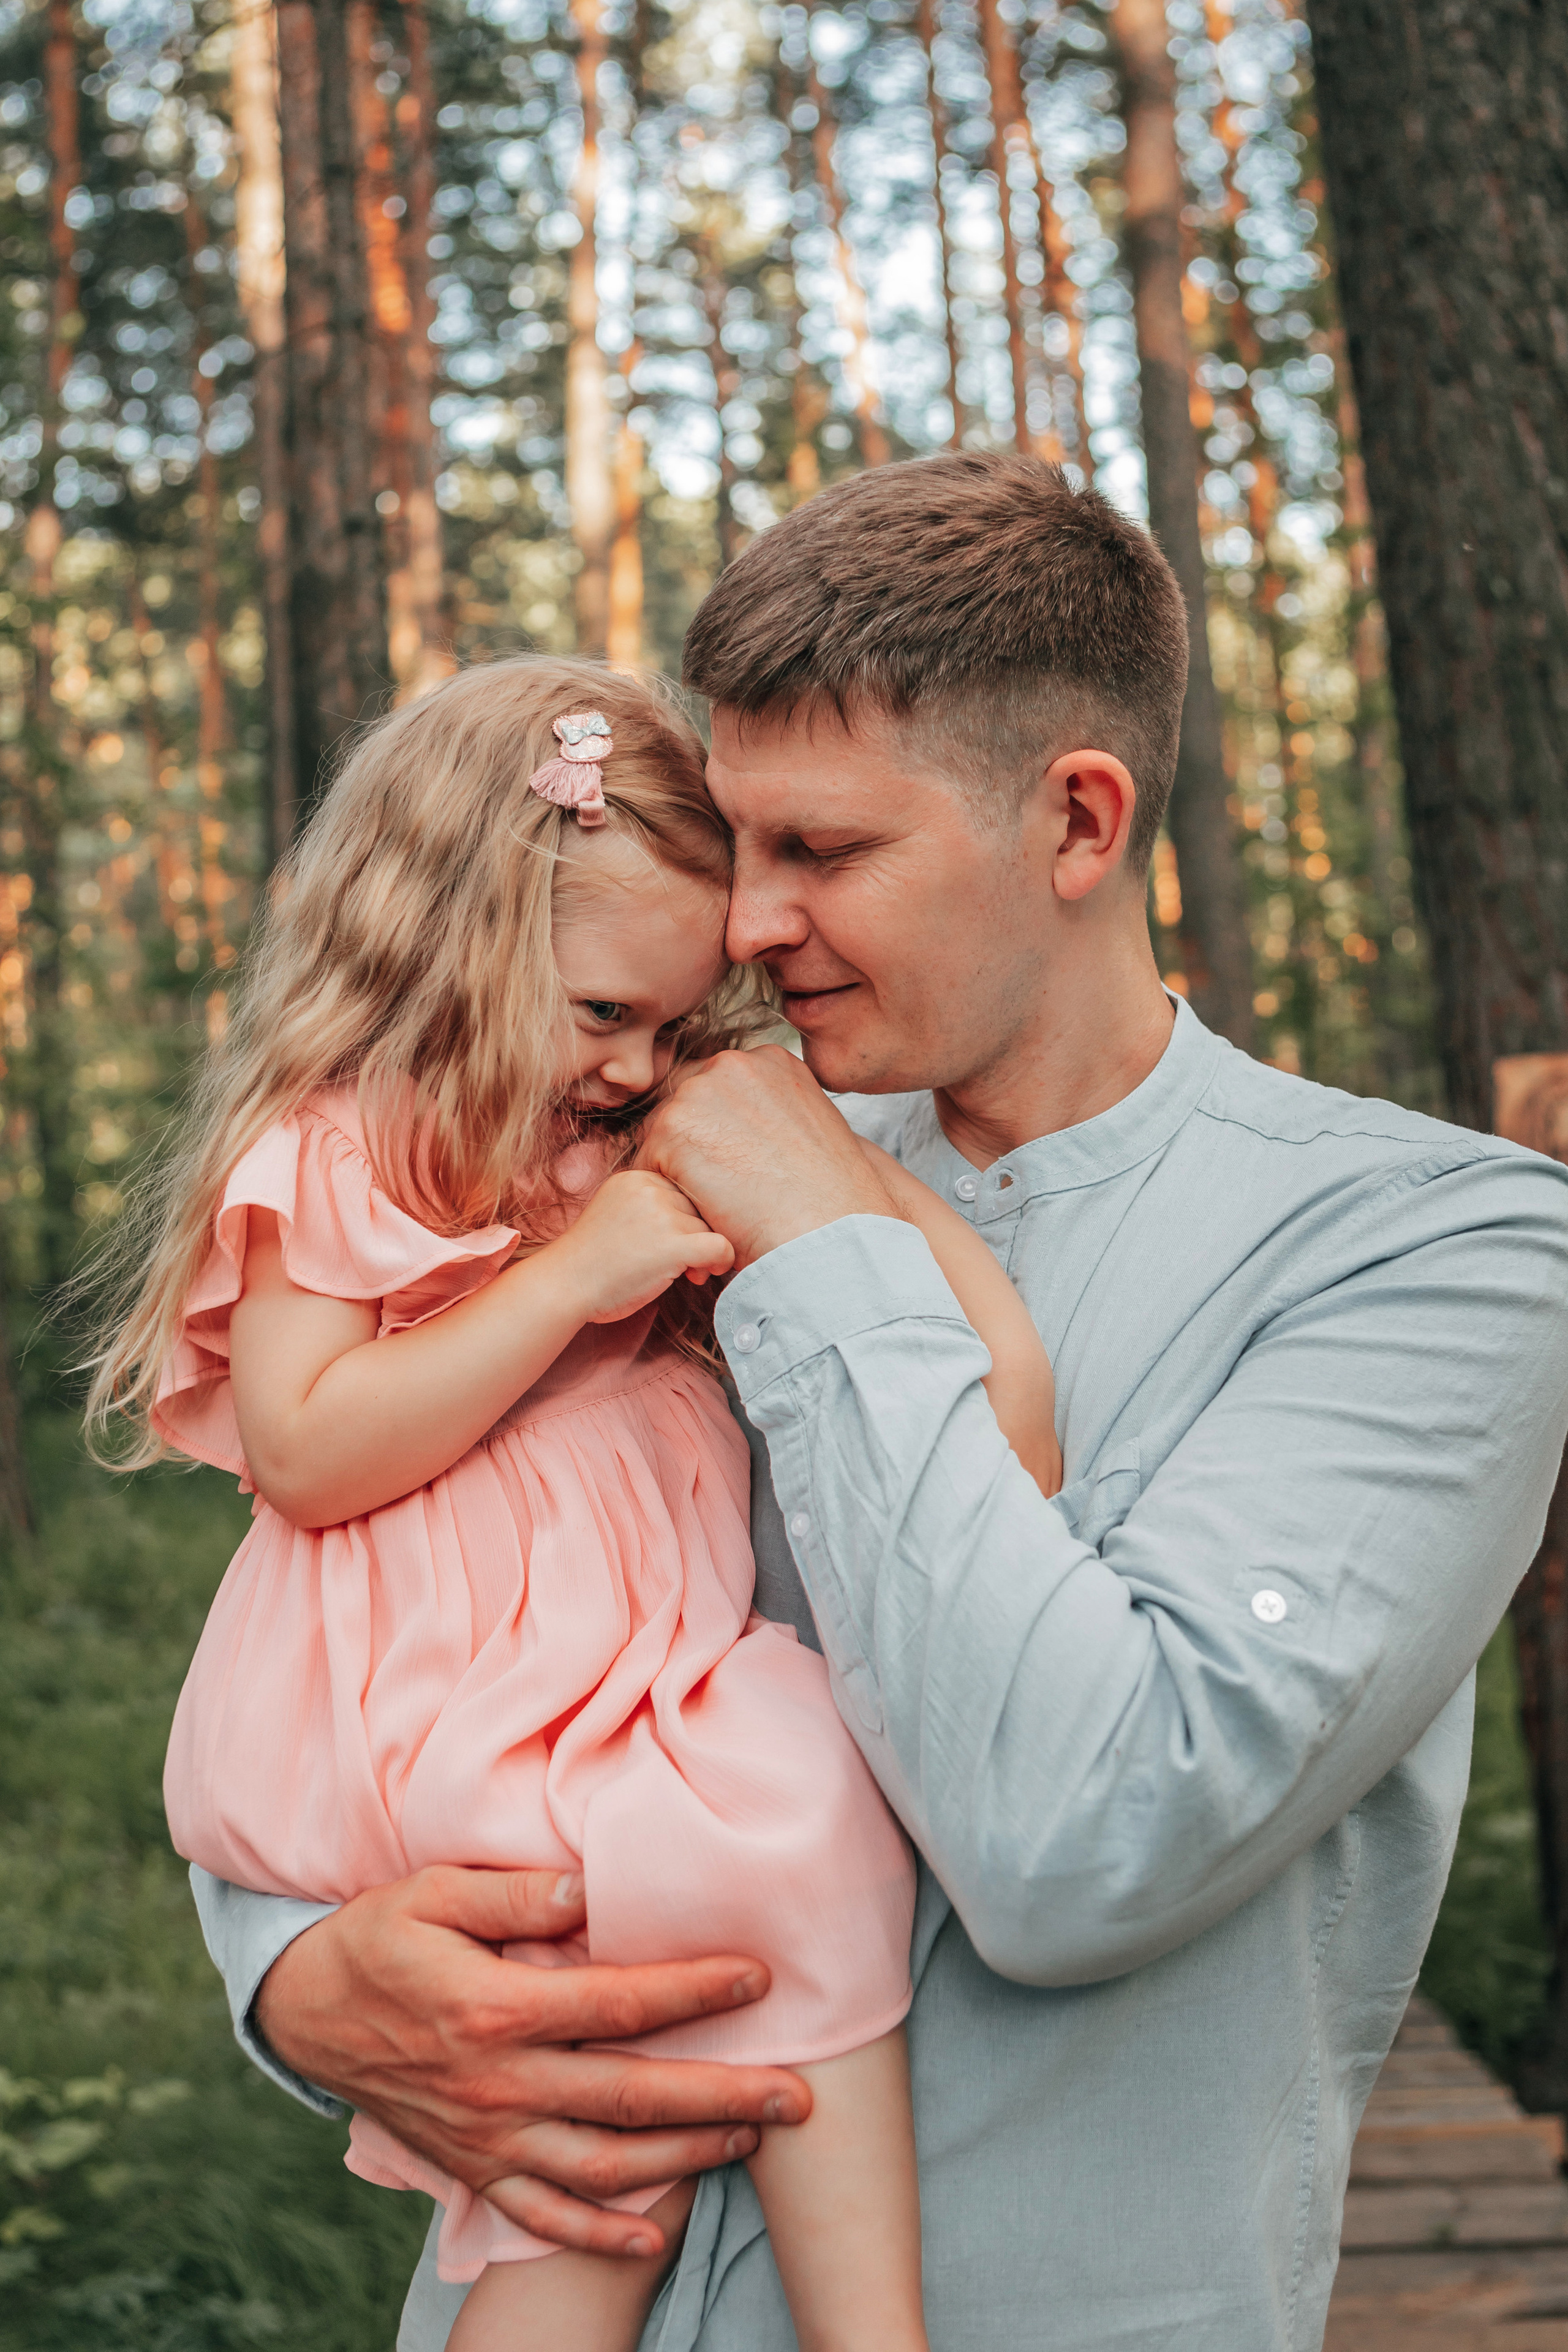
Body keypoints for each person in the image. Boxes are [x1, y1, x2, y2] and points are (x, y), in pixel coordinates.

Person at [187, 455, 1568, 2352]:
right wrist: (291, 1978)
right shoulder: (634, 1162)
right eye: (732, 846)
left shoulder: (1439, 1249)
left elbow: (1090, 1836)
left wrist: (833, 1228)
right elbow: (371, 1608)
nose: (745, 928)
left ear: (1079, 823)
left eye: (822, 853)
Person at [86, 655, 1060, 2352]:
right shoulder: (343, 1155)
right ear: (442, 949)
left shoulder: (630, 1149)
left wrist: (839, 1171)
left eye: (675, 1027)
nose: (631, 1069)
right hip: (479, 1712)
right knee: (772, 1870)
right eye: (604, 1017)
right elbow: (306, 1449)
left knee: (609, 2149)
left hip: (626, 1706)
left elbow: (987, 1373)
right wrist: (569, 1282)